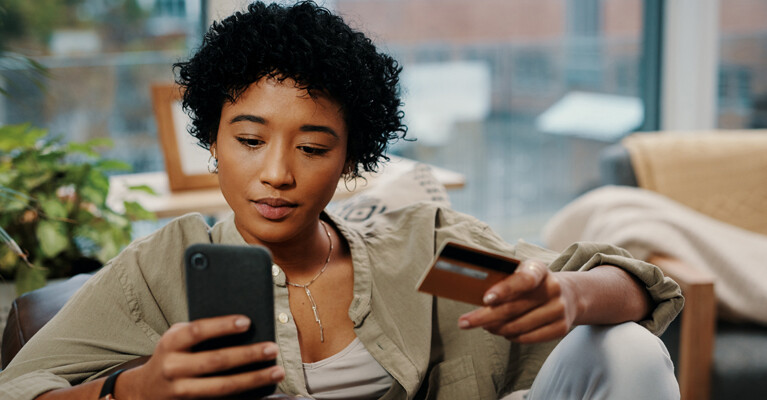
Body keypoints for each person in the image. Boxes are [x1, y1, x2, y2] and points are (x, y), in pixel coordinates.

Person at [0, 2, 683, 399]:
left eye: (313, 146)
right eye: (248, 138)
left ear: (349, 159)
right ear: (212, 140)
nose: (275, 174)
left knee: (621, 346)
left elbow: (635, 291)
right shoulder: (166, 267)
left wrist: (567, 294)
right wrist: (135, 391)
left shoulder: (421, 255)